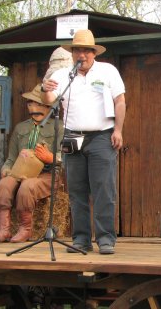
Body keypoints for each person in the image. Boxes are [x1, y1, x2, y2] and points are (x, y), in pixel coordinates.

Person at [41, 29, 126, 255]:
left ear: (93, 52)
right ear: (73, 53)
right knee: (77, 191)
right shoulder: (62, 75)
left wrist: (118, 129)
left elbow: (120, 101)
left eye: (87, 51)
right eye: (78, 50)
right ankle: (81, 239)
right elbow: (50, 102)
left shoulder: (107, 71)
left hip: (101, 136)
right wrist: (45, 90)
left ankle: (106, 239)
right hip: (72, 135)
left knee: (103, 190)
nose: (83, 55)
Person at [0, 84, 63, 243]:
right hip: (20, 171)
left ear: (48, 106)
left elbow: (65, 157)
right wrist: (6, 168)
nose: (33, 108)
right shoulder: (20, 128)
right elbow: (11, 158)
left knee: (27, 187)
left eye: (38, 104)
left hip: (46, 174)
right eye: (30, 104)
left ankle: (25, 230)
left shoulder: (59, 127)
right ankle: (4, 229)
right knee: (4, 185)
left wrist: (50, 157)